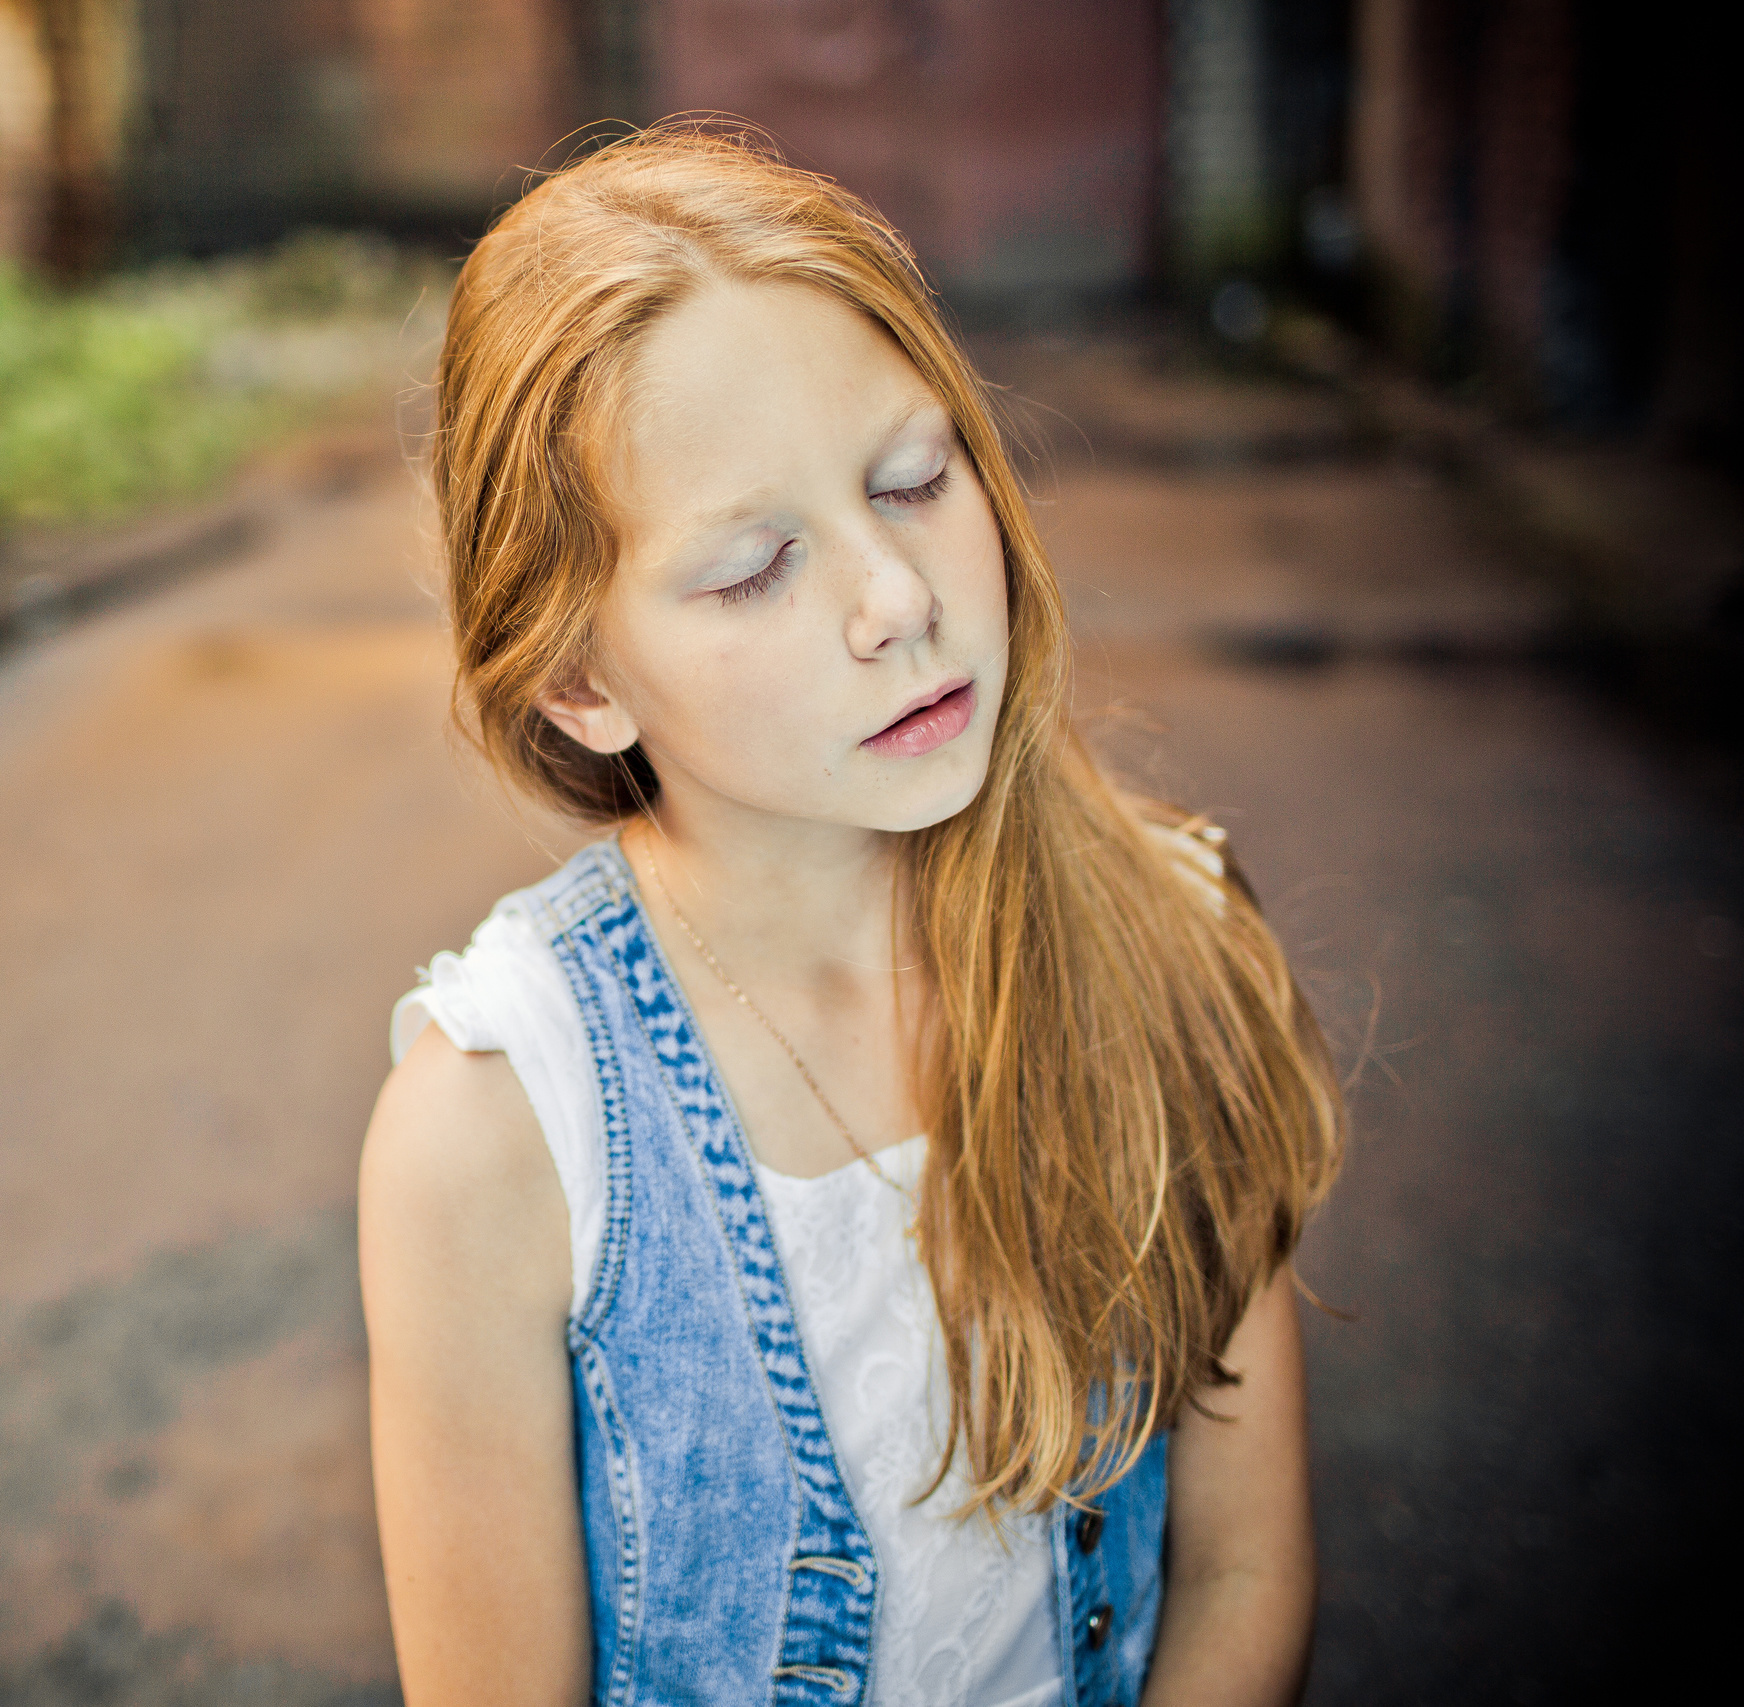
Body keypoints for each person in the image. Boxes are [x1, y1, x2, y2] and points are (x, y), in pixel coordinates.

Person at [358, 126, 1345, 1707]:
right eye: (755, 568)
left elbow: (1240, 1572)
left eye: (915, 479)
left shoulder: (1171, 940)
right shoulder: (497, 1131)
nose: (898, 598)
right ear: (581, 679)